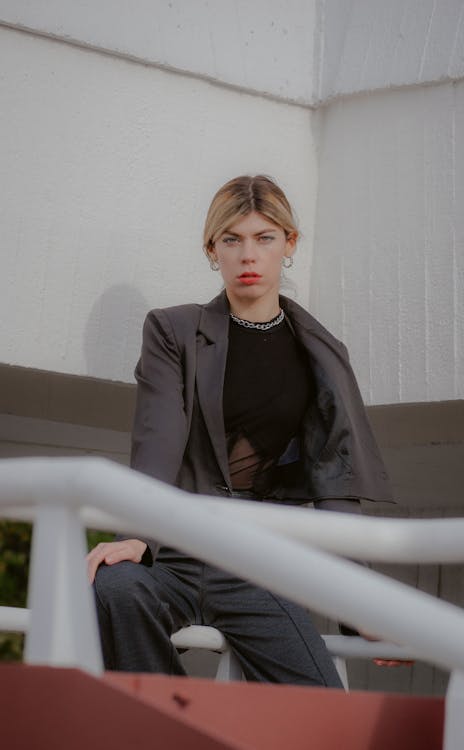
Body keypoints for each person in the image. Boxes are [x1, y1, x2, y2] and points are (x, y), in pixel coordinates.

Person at [87, 174, 394, 686]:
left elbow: (334, 481)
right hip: (177, 554)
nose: (248, 256)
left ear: (289, 244)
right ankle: (169, 728)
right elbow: (157, 439)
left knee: (321, 705)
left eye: (264, 238)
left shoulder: (320, 354)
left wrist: (359, 603)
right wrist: (136, 535)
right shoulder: (173, 332)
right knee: (116, 588)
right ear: (213, 249)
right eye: (232, 240)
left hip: (260, 564)